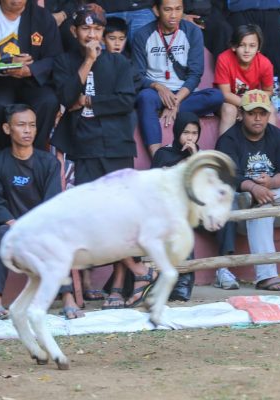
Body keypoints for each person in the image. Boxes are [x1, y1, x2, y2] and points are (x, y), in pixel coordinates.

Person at [51, 4, 156, 308]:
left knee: (120, 219)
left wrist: (88, 101)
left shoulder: (120, 63)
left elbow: (125, 101)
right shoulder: (65, 62)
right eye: (86, 29)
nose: (92, 35)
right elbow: (64, 96)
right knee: (94, 219)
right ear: (75, 32)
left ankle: (119, 285)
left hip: (116, 146)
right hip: (83, 148)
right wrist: (87, 62)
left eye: (97, 29)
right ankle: (138, 270)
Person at [0, 104, 85, 319]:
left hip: (41, 225)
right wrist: (11, 222)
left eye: (32, 125)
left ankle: (67, 297)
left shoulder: (48, 162)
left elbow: (51, 203)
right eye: (21, 125)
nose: (27, 130)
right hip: (11, 226)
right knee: (1, 234)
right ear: (6, 128)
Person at [214, 90, 280, 291]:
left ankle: (259, 199)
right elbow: (228, 175)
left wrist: (270, 184)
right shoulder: (229, 139)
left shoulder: (278, 136)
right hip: (241, 214)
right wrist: (252, 187)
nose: (258, 118)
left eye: (262, 113)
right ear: (241, 114)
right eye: (252, 113)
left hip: (279, 204)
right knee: (259, 210)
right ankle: (266, 277)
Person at [0, 0, 61, 152]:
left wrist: (31, 69)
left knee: (48, 101)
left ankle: (36, 153)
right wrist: (6, 63)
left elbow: (55, 58)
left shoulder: (42, 17)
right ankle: (8, 154)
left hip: (33, 81)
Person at [133, 0, 224, 156]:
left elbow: (195, 74)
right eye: (168, 10)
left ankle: (164, 110)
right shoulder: (142, 34)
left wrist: (175, 101)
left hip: (184, 94)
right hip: (157, 94)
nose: (174, 15)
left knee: (216, 96)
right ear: (156, 10)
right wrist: (158, 86)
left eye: (178, 9)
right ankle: (157, 157)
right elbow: (138, 76)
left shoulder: (192, 32)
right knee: (144, 97)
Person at [149, 112, 201, 301]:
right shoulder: (164, 154)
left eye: (194, 133)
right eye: (186, 132)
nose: (190, 137)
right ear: (177, 131)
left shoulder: (199, 155)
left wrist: (195, 158)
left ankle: (184, 282)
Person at [214, 24, 276, 135]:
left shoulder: (265, 63)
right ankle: (223, 151)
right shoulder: (224, 59)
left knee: (270, 109)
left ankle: (272, 149)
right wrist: (245, 106)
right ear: (234, 46)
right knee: (229, 110)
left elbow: (268, 91)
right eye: (242, 45)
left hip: (252, 102)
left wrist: (251, 106)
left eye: (252, 46)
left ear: (258, 48)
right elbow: (225, 94)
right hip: (228, 102)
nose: (247, 50)